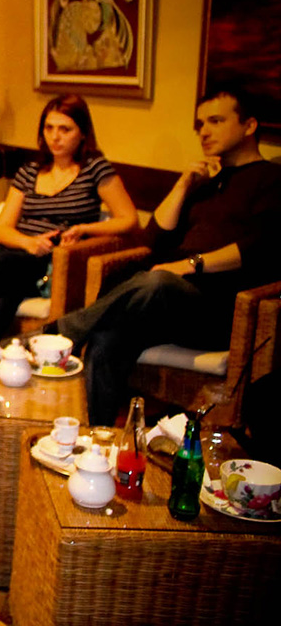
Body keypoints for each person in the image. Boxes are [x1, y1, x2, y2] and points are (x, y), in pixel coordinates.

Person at [48, 83, 281, 425]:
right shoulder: (204, 182)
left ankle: (61, 332)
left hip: (218, 308)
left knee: (158, 280)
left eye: (215, 121)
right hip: (164, 303)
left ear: (249, 126)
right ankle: (97, 434)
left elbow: (260, 248)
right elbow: (152, 239)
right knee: (106, 338)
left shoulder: (272, 180)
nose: (204, 132)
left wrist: (189, 266)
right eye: (200, 124)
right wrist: (184, 183)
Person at [0, 94, 138, 346]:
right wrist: (28, 242)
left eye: (65, 129)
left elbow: (129, 219)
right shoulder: (30, 171)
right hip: (20, 253)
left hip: (54, 261)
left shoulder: (95, 168)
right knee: (2, 301)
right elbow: (2, 229)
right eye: (49, 128)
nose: (55, 137)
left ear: (83, 133)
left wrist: (83, 229)